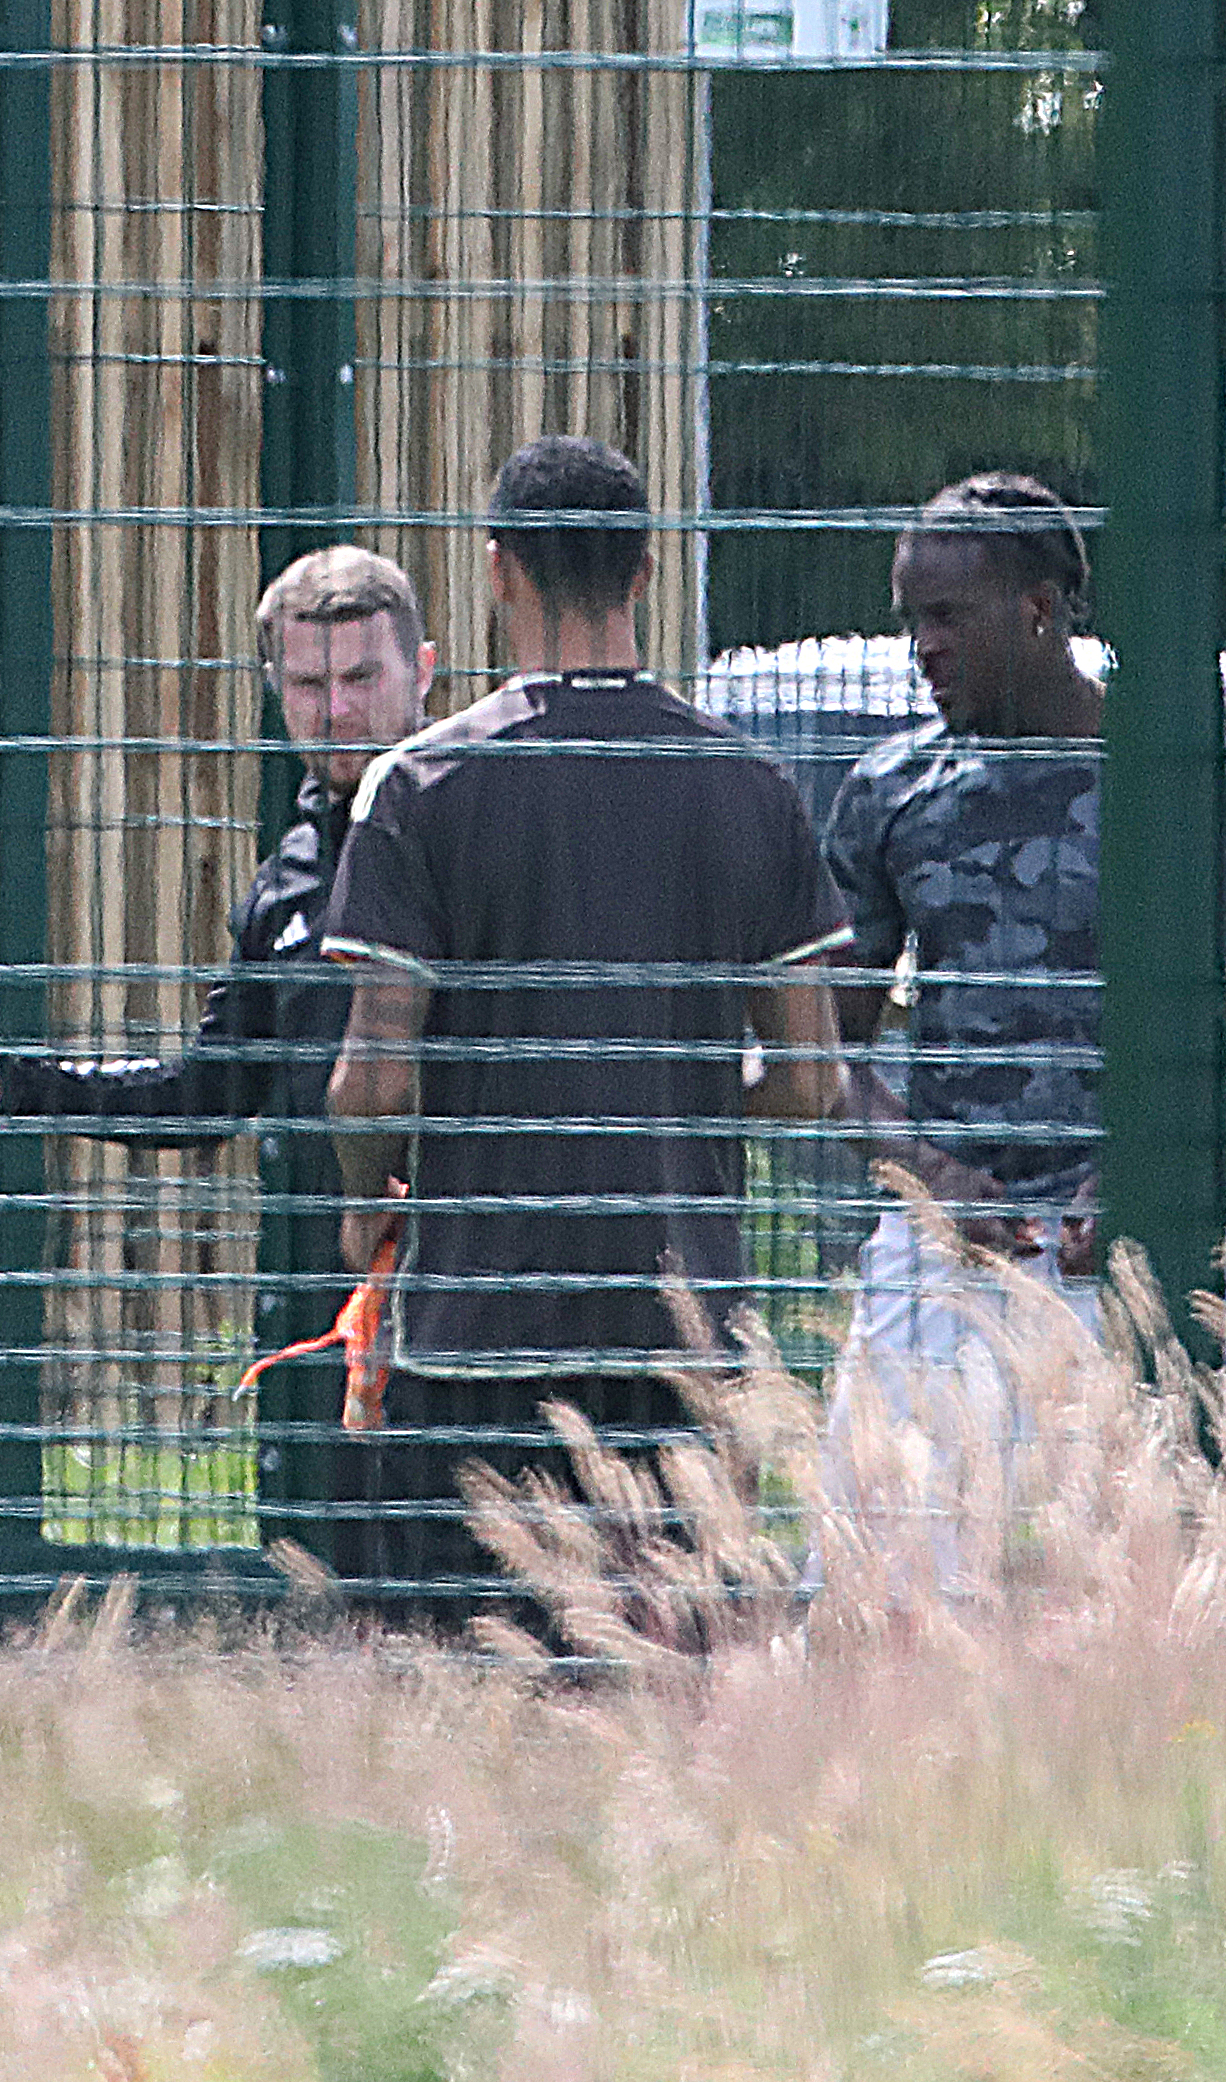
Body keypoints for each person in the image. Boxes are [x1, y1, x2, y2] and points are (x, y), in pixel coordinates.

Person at [320, 435, 849, 1613]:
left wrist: (370, 1192)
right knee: (671, 1694)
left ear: (497, 571)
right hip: (681, 1334)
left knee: (477, 1686)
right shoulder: (749, 784)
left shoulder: (421, 785)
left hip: (476, 1332)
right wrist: (681, 1100)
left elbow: (368, 1081)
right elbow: (813, 1081)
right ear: (645, 575)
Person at [816, 470, 1226, 1565]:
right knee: (891, 1601)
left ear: (1041, 609)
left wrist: (1166, 1178)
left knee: (1201, 1601)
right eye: (909, 617)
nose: (922, 644)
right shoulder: (888, 793)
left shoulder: (1209, 791)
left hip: (1152, 1263)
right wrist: (924, 1177)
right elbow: (826, 1049)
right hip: (946, 1265)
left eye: (946, 615)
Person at [0, 546, 436, 1573]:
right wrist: (19, 1082)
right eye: (308, 685)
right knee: (357, 1593)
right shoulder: (285, 881)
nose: (335, 711)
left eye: (361, 680)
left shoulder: (470, 828)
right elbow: (207, 1094)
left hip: (486, 1270)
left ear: (423, 672)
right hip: (341, 1298)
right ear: (276, 692)